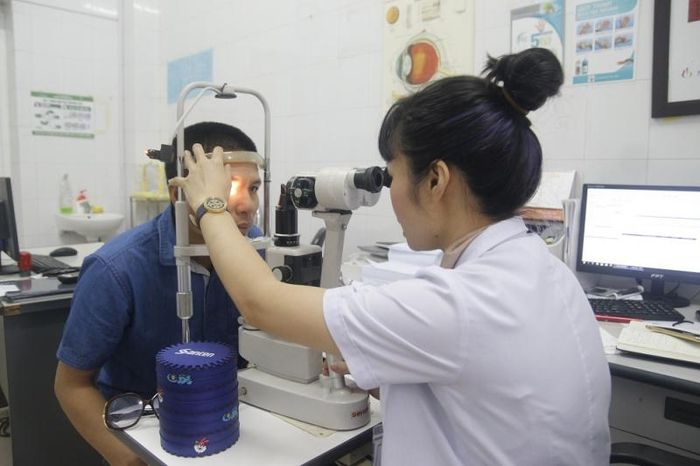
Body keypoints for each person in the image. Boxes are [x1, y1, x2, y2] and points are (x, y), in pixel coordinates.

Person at [170, 49, 611, 465]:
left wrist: (211, 204)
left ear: (436, 180)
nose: (391, 193)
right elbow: (492, 394)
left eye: (394, 175)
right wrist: (396, 376)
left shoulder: (458, 304)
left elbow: (260, 302)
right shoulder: (549, 272)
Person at [54, 122, 263, 466]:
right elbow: (71, 386)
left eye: (253, 188)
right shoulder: (116, 269)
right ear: (179, 193)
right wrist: (129, 460)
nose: (246, 205)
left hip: (234, 430)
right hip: (147, 432)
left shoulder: (257, 250)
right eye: (226, 188)